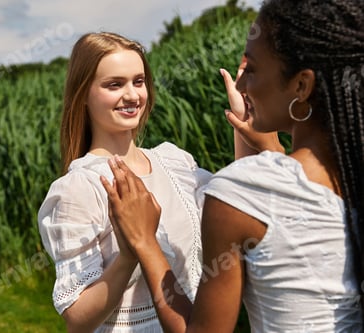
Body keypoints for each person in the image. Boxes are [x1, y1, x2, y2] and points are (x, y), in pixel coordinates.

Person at [101, 0, 364, 331]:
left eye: (251, 69)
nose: (240, 85)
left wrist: (145, 243)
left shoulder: (239, 190)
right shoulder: (349, 175)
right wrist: (269, 147)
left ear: (301, 85)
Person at [38, 31, 215, 332]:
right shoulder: (81, 187)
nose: (133, 95)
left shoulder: (174, 161)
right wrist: (129, 254)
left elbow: (233, 205)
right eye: (114, 84)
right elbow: (78, 319)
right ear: (83, 94)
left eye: (139, 81)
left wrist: (247, 130)